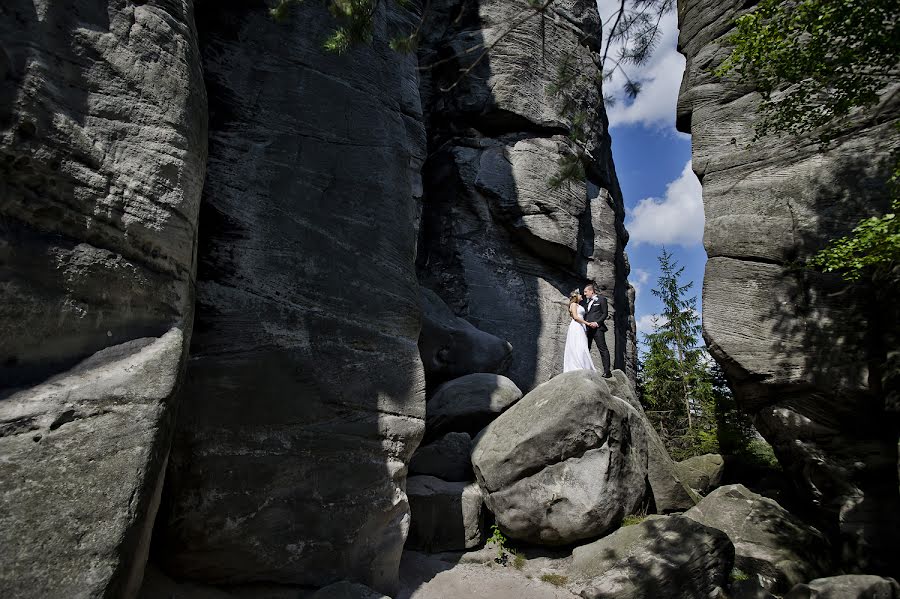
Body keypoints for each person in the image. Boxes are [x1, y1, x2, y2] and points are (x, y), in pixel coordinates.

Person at [581, 283, 612, 378]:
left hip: (598, 328)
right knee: (586, 348)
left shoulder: (602, 299)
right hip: (588, 329)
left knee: (602, 349)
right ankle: (584, 368)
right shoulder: (587, 302)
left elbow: (604, 313)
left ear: (591, 291)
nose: (585, 294)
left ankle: (607, 371)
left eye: (586, 292)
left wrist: (597, 323)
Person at [562, 289, 597, 373]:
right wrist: (587, 323)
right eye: (580, 295)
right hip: (576, 326)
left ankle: (584, 364)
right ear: (576, 296)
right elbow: (576, 317)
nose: (582, 296)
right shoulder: (573, 304)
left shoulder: (579, 305)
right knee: (577, 344)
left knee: (582, 344)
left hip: (581, 326)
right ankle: (577, 365)